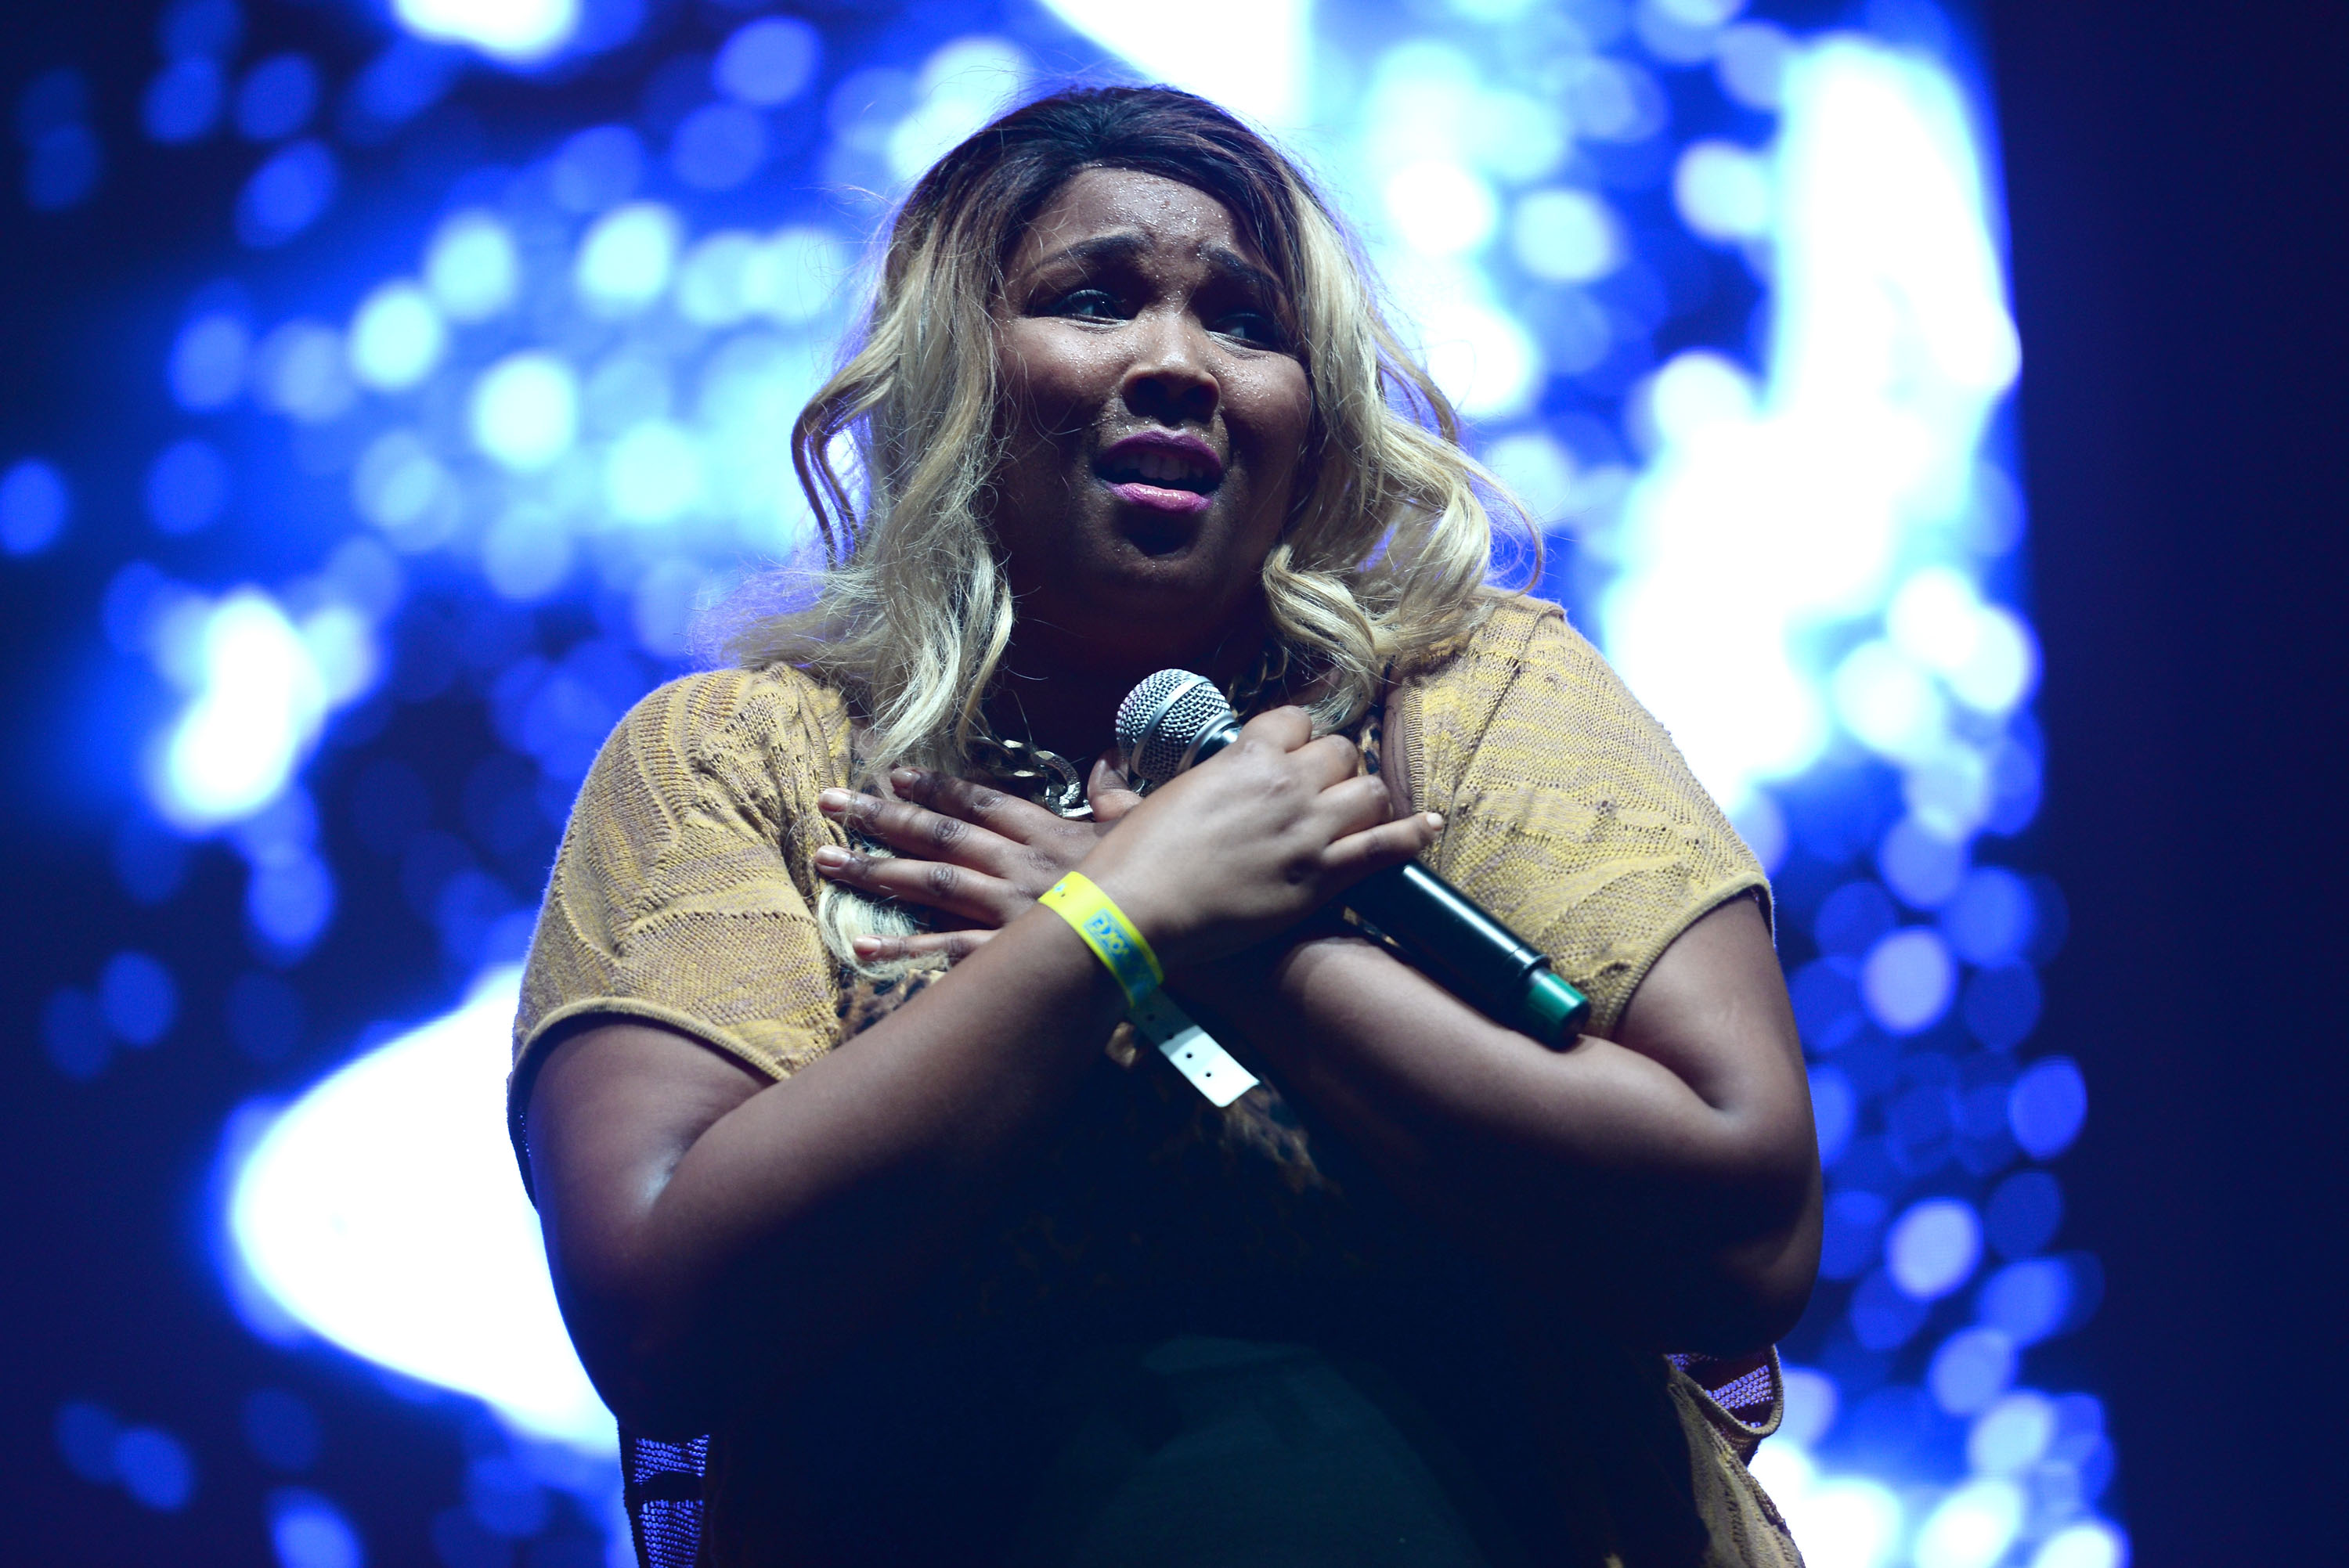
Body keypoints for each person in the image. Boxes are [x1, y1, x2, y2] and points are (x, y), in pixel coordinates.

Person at [510, 86, 1822, 1568]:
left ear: (1312, 416)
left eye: (1247, 324)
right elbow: (661, 1309)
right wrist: (1116, 921)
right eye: (1094, 299)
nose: (1181, 363)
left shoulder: (1472, 699)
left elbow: (1746, 1227)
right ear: (955, 369)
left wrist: (1243, 949)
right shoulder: (740, 760)